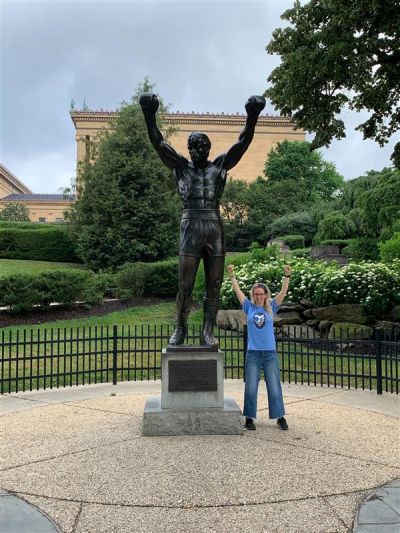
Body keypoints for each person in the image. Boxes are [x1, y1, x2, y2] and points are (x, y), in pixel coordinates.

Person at [139, 92, 265, 347]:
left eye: (199, 146)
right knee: (184, 285)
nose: (195, 150)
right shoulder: (181, 167)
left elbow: (243, 142)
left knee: (215, 284)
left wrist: (252, 116)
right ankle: (180, 328)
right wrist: (149, 115)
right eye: (191, 146)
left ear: (208, 148)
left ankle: (207, 331)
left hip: (214, 226)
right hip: (190, 225)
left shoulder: (220, 166)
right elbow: (158, 143)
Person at [226, 263, 292, 430]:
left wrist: (287, 276)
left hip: (270, 353)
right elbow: (237, 291)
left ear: (265, 294)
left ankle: (280, 417)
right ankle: (249, 418)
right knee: (251, 387)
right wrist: (232, 275)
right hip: (253, 353)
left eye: (261, 294)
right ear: (253, 295)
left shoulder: (271, 306)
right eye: (256, 294)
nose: (258, 296)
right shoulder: (248, 306)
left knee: (274, 386)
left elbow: (283, 292)